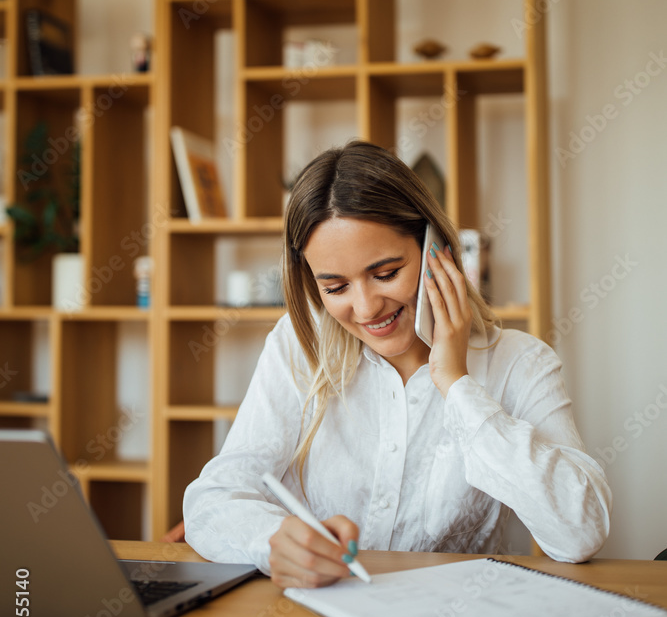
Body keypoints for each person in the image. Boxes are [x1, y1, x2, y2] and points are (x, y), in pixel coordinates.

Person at [183, 141, 611, 588]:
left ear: (437, 249)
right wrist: (272, 541)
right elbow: (211, 502)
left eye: (385, 274)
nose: (366, 308)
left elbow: (580, 534)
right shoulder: (298, 346)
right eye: (336, 287)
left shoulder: (521, 363)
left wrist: (456, 384)